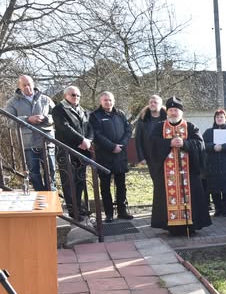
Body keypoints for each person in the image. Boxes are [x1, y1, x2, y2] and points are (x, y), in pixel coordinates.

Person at [150, 97, 212, 235]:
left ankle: (191, 225)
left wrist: (185, 144)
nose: (173, 113)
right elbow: (152, 144)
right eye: (171, 110)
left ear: (181, 112)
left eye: (176, 110)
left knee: (192, 199)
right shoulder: (159, 127)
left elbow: (200, 145)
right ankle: (170, 226)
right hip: (166, 174)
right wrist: (168, 143)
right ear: (167, 112)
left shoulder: (190, 127)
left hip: (188, 173)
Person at [5, 75, 55, 191]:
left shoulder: (45, 99)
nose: (28, 87)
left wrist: (46, 118)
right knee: (34, 173)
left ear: (33, 84)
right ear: (19, 86)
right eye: (24, 85)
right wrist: (27, 119)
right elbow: (9, 121)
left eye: (29, 84)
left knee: (51, 171)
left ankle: (52, 196)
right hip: (28, 143)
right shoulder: (13, 102)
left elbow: (57, 116)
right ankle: (40, 196)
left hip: (47, 141)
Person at [90, 91, 133, 222]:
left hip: (120, 155)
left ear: (113, 101)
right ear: (100, 101)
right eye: (105, 100)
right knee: (105, 186)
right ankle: (108, 213)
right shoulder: (95, 116)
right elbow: (97, 135)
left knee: (121, 185)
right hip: (104, 156)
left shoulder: (120, 114)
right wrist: (112, 146)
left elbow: (128, 130)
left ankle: (122, 211)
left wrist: (122, 144)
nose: (108, 102)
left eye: (110, 100)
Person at [52, 86, 93, 220]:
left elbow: (90, 128)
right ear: (65, 96)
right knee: (69, 181)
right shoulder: (59, 109)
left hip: (82, 151)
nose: (76, 97)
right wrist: (81, 139)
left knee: (80, 180)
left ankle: (79, 208)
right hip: (66, 151)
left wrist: (88, 140)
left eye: (78, 95)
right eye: (73, 95)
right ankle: (73, 211)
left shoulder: (83, 111)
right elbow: (64, 127)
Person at [135, 95, 166, 178]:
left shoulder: (167, 118)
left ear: (160, 104)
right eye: (151, 102)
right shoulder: (143, 119)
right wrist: (141, 157)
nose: (152, 104)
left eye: (155, 102)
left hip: (166, 155)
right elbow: (138, 139)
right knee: (156, 180)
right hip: (150, 156)